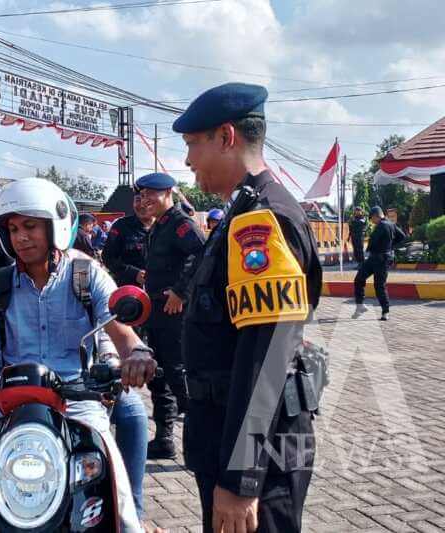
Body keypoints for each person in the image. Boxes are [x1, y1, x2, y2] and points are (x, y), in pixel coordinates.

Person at [0, 177, 157, 532]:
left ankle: (132, 523)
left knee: (118, 494)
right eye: (13, 229)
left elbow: (119, 330)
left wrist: (137, 353)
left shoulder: (87, 275)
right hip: (10, 400)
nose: (21, 237)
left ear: (56, 226)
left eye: (30, 226)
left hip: (78, 400)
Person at [175, 82, 323, 533]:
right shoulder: (244, 211)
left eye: (192, 145)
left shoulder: (262, 219)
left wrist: (241, 480)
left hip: (258, 456)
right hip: (233, 438)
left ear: (226, 136)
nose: (187, 161)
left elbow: (267, 356)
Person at [136, 172, 206, 460]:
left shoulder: (180, 223)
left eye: (152, 194)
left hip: (175, 313)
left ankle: (200, 442)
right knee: (160, 375)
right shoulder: (160, 225)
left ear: (168, 194)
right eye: (143, 195)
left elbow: (201, 253)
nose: (146, 200)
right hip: (157, 312)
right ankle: (165, 438)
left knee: (179, 375)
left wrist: (180, 292)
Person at [353, 206, 405, 321]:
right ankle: (362, 306)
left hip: (380, 260)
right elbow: (402, 236)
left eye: (371, 218)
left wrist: (386, 247)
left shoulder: (382, 226)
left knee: (377, 285)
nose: (371, 221)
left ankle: (385, 311)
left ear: (376, 216)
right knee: (362, 280)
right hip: (377, 258)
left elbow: (372, 243)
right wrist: (390, 246)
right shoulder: (391, 224)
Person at [103, 193, 153, 287]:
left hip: (162, 291)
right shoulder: (121, 226)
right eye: (138, 200)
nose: (142, 205)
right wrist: (134, 273)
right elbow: (108, 257)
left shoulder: (166, 226)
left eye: (147, 200)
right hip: (129, 289)